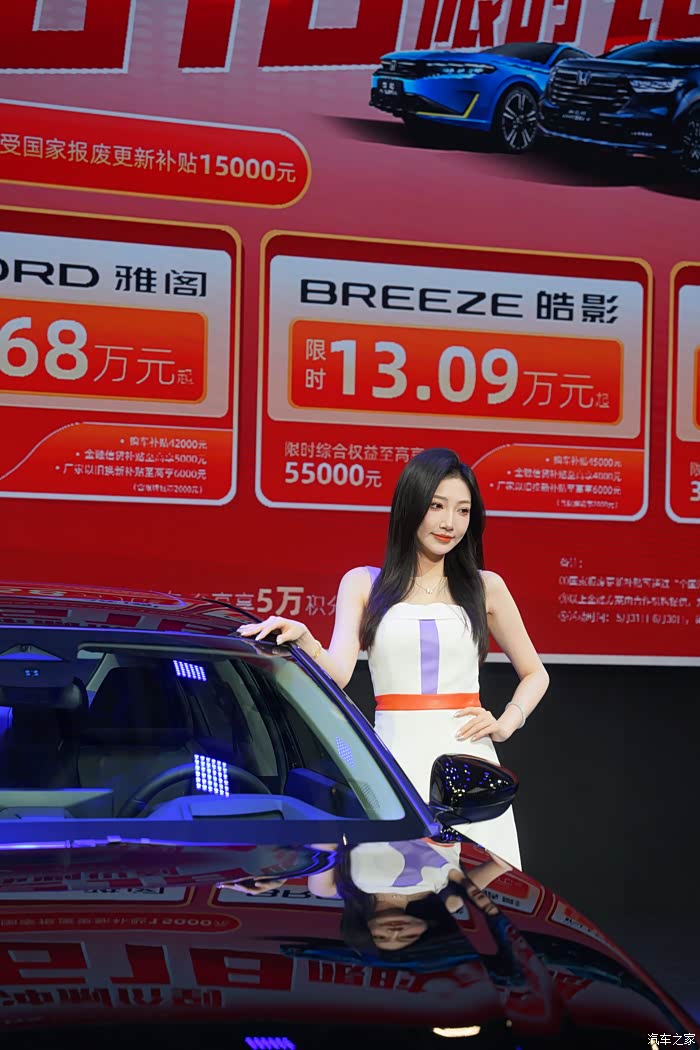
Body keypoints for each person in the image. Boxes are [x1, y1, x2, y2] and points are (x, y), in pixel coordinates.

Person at [237, 448, 549, 867]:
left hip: (468, 762)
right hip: (392, 757)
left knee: (483, 884)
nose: (449, 522)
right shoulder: (364, 583)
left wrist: (507, 721)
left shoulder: (485, 587)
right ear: (410, 506)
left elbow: (535, 673)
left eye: (462, 510)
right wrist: (307, 640)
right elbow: (338, 674)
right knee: (394, 884)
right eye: (437, 506)